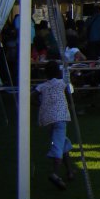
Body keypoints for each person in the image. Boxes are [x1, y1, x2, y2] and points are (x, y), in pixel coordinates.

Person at [35, 61, 75, 189]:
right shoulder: (61, 83)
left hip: (48, 119)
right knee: (58, 145)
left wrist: (39, 104)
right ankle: (55, 174)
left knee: (63, 143)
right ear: (57, 72)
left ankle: (70, 171)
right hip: (60, 118)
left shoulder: (42, 86)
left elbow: (31, 96)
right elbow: (70, 89)